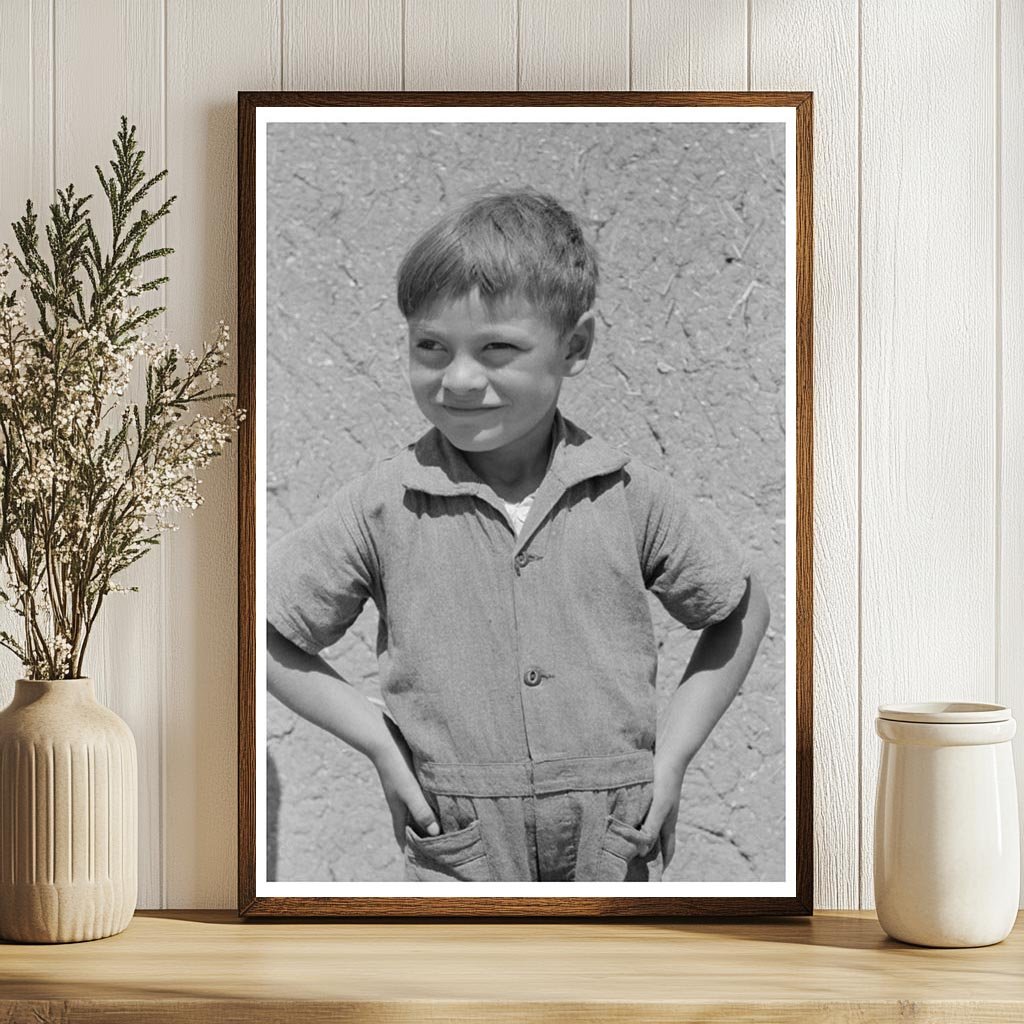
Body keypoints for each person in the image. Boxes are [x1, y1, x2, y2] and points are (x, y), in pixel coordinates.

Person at [266, 188, 771, 882]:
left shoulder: (626, 493)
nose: (461, 379)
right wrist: (381, 742)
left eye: (498, 348)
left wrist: (674, 754)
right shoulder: (383, 505)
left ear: (577, 346)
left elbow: (740, 608)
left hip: (614, 834)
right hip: (459, 836)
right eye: (432, 347)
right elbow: (258, 630)